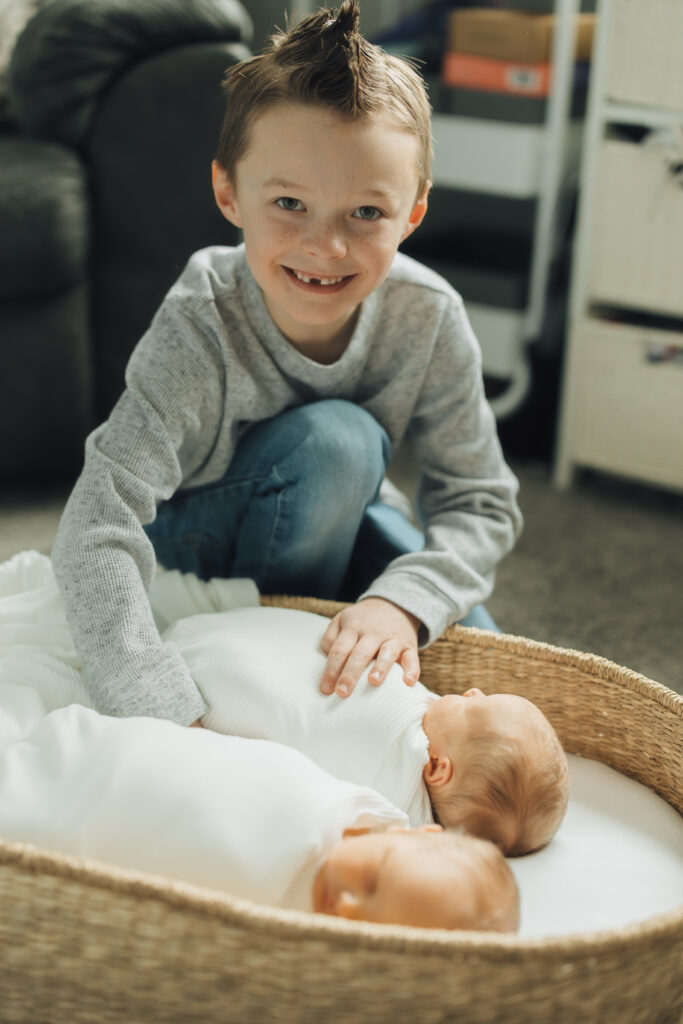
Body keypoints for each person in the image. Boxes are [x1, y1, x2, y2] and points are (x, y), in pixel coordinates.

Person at [51, 0, 522, 730]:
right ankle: (282, 647)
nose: (324, 246)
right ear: (228, 194)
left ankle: (350, 616)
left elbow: (479, 501)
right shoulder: (201, 316)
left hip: (342, 511)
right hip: (198, 534)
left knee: (493, 675)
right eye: (289, 203)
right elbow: (95, 522)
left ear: (413, 215)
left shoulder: (427, 315)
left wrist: (400, 603)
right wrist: (159, 707)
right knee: (341, 441)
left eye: (366, 214)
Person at [0, 695, 519, 931]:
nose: (344, 904)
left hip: (109, 823)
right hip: (125, 758)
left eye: (371, 928)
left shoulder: (294, 930)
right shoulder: (363, 803)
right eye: (372, 881)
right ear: (418, 835)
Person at [165, 603, 569, 855]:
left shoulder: (396, 808)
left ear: (438, 768)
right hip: (197, 656)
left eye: (473, 705)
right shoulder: (409, 812)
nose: (473, 690)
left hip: (192, 673)